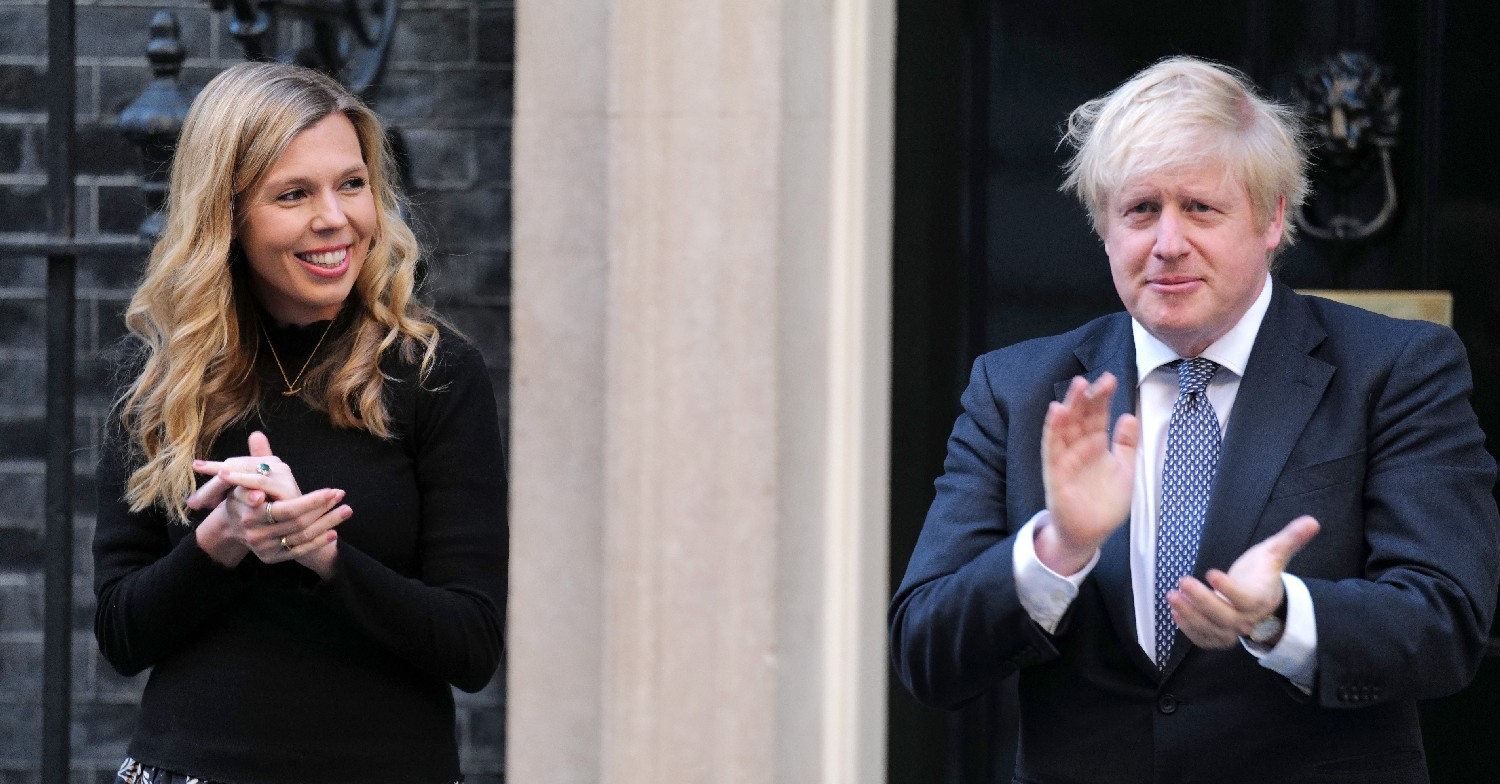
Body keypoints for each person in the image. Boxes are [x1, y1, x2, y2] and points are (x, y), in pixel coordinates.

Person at [889, 55, 1500, 783]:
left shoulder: (1394, 368)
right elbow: (925, 655)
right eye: (1141, 210)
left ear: (1273, 218)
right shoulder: (1018, 389)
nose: (1168, 242)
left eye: (1200, 208)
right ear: (1105, 230)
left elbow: (1444, 623)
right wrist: (1055, 549)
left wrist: (1278, 615)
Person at [93, 61, 506, 784]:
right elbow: (122, 635)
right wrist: (220, 542)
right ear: (228, 213)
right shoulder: (163, 378)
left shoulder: (434, 374)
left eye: (351, 184)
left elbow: (471, 646)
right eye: (293, 194)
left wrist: (323, 555)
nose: (334, 218)